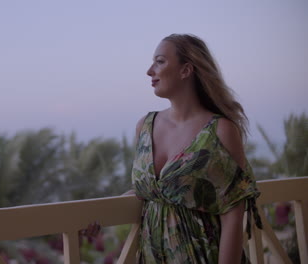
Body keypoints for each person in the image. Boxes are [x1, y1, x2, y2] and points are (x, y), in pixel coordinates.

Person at [84, 34, 262, 263]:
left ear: (186, 70)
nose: (150, 71)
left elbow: (233, 216)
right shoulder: (145, 126)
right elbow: (150, 192)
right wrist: (100, 213)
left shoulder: (220, 131)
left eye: (159, 61)